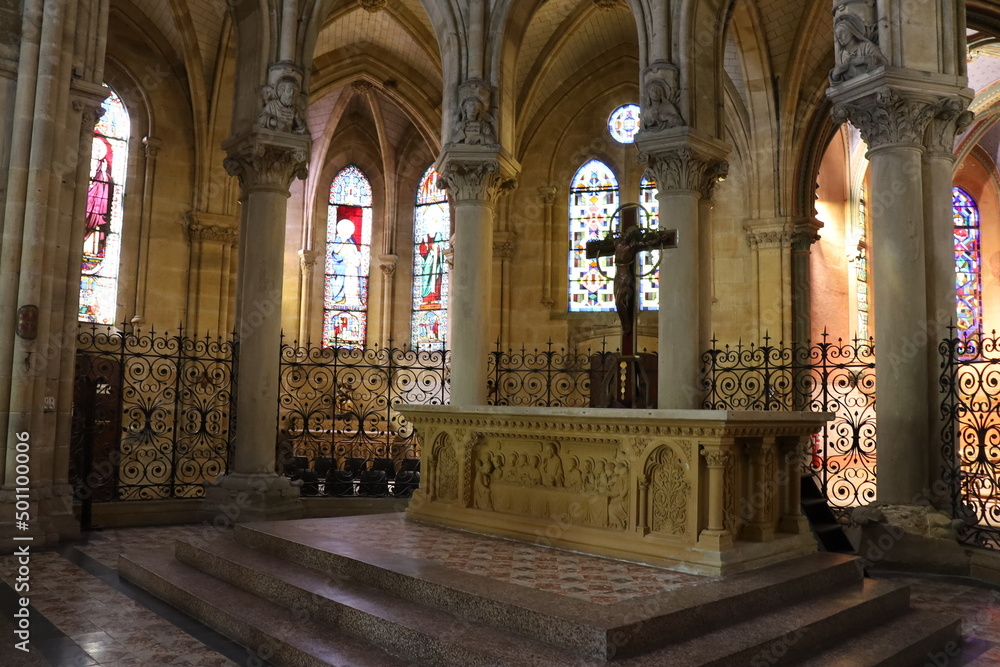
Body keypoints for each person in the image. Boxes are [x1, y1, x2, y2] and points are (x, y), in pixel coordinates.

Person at [829, 13, 886, 84]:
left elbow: (884, 62)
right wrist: (835, 74)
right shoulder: (841, 55)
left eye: (842, 33)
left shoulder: (866, 47)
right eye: (837, 36)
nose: (839, 37)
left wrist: (864, 59)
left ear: (852, 32)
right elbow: (838, 84)